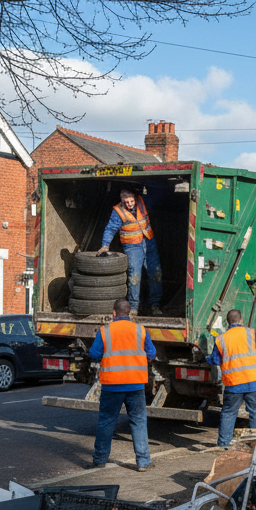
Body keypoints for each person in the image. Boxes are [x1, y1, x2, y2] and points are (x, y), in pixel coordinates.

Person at [90, 299, 158, 471]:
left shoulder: (105, 331)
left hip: (112, 385)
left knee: (106, 422)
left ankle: (99, 460)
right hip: (135, 384)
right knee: (138, 422)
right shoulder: (140, 330)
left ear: (114, 312)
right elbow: (152, 353)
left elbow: (94, 353)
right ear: (129, 313)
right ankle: (143, 462)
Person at [205, 309, 256, 449]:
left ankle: (223, 445)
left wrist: (206, 358)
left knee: (228, 413)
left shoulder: (221, 339)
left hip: (234, 384)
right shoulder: (251, 333)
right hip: (254, 381)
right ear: (241, 320)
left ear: (228, 322)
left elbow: (215, 360)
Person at [98, 189, 163, 315]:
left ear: (135, 198)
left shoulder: (142, 202)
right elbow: (110, 228)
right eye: (126, 202)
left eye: (131, 201)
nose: (130, 204)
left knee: (156, 274)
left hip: (149, 243)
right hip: (133, 247)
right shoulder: (118, 211)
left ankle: (155, 305)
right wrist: (105, 245)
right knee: (134, 277)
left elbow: (158, 195)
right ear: (122, 201)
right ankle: (133, 308)